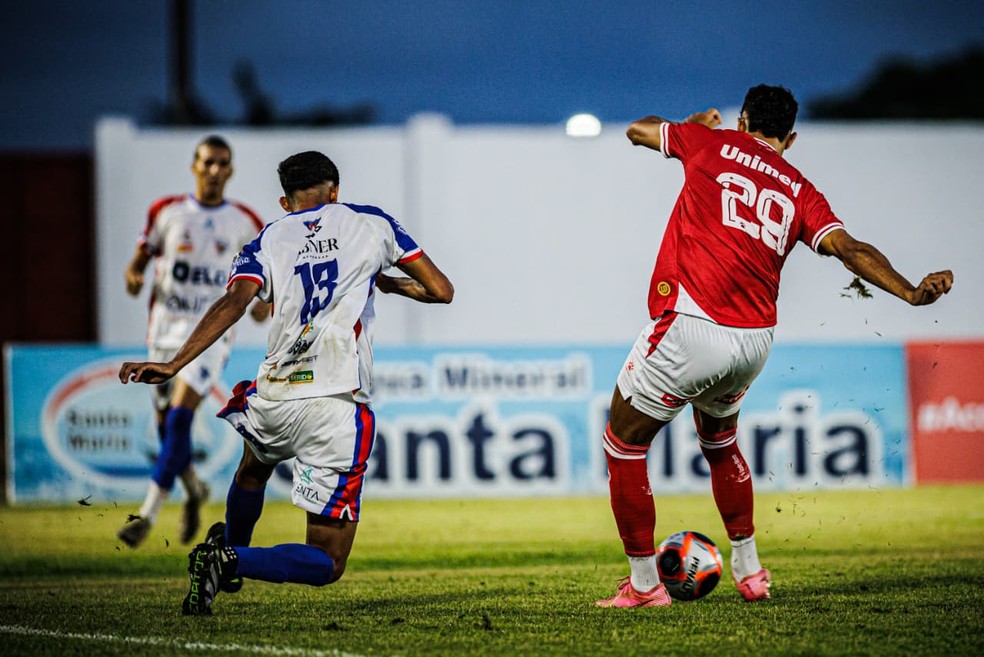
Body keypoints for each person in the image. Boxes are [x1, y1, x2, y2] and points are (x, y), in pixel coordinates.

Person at [596, 85, 953, 608]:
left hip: (692, 324)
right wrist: (908, 292)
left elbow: (636, 130)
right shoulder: (799, 187)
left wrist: (691, 122)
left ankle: (646, 587)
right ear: (790, 138)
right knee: (719, 444)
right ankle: (750, 571)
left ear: (742, 122)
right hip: (753, 342)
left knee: (622, 444)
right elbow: (849, 249)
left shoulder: (708, 142)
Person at [119, 150, 453, 615]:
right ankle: (229, 559)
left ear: (284, 201)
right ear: (335, 190)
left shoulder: (267, 239)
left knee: (253, 470)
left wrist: (174, 363)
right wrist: (390, 283)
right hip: (335, 404)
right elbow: (442, 291)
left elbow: (232, 304)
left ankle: (229, 555)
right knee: (327, 561)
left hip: (275, 394)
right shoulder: (373, 224)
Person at [118, 135, 269, 548]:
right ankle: (195, 488)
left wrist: (260, 304)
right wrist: (133, 275)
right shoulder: (166, 212)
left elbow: (262, 281)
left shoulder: (245, 222)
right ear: (194, 166)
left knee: (181, 418)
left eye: (223, 164)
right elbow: (140, 260)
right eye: (208, 163)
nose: (215, 171)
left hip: (209, 337)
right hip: (163, 332)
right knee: (169, 428)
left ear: (231, 170)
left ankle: (145, 515)